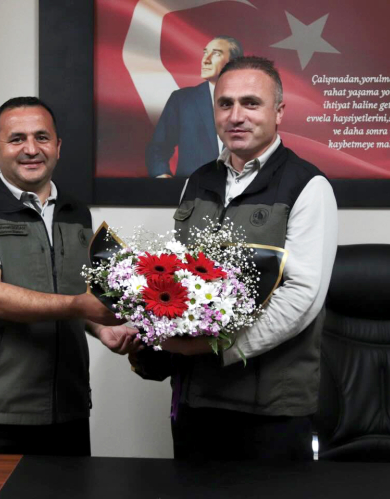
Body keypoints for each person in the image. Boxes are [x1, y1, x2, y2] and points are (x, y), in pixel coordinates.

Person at [131, 57, 338, 461]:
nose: (236, 116)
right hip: (196, 399)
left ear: (279, 112)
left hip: (270, 408)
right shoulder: (198, 181)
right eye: (225, 104)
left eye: (251, 103)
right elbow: (182, 279)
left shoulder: (308, 186)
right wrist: (149, 327)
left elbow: (302, 297)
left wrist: (215, 347)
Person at [0, 96, 140, 456]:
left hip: (67, 410)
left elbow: (72, 293)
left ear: (58, 147)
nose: (31, 149)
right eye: (17, 139)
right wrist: (81, 306)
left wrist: (100, 328)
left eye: (42, 137)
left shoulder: (76, 213)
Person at [146, 36, 243, 178]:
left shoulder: (252, 101)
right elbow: (158, 148)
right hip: (192, 188)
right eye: (205, 52)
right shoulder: (182, 100)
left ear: (234, 62)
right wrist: (162, 175)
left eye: (216, 53)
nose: (205, 60)